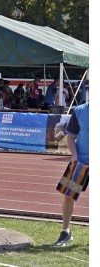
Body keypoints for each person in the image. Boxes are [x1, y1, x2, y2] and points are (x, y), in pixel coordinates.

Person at [54, 86, 89, 246]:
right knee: (68, 196)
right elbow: (70, 137)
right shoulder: (80, 110)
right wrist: (74, 156)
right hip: (80, 162)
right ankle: (65, 232)